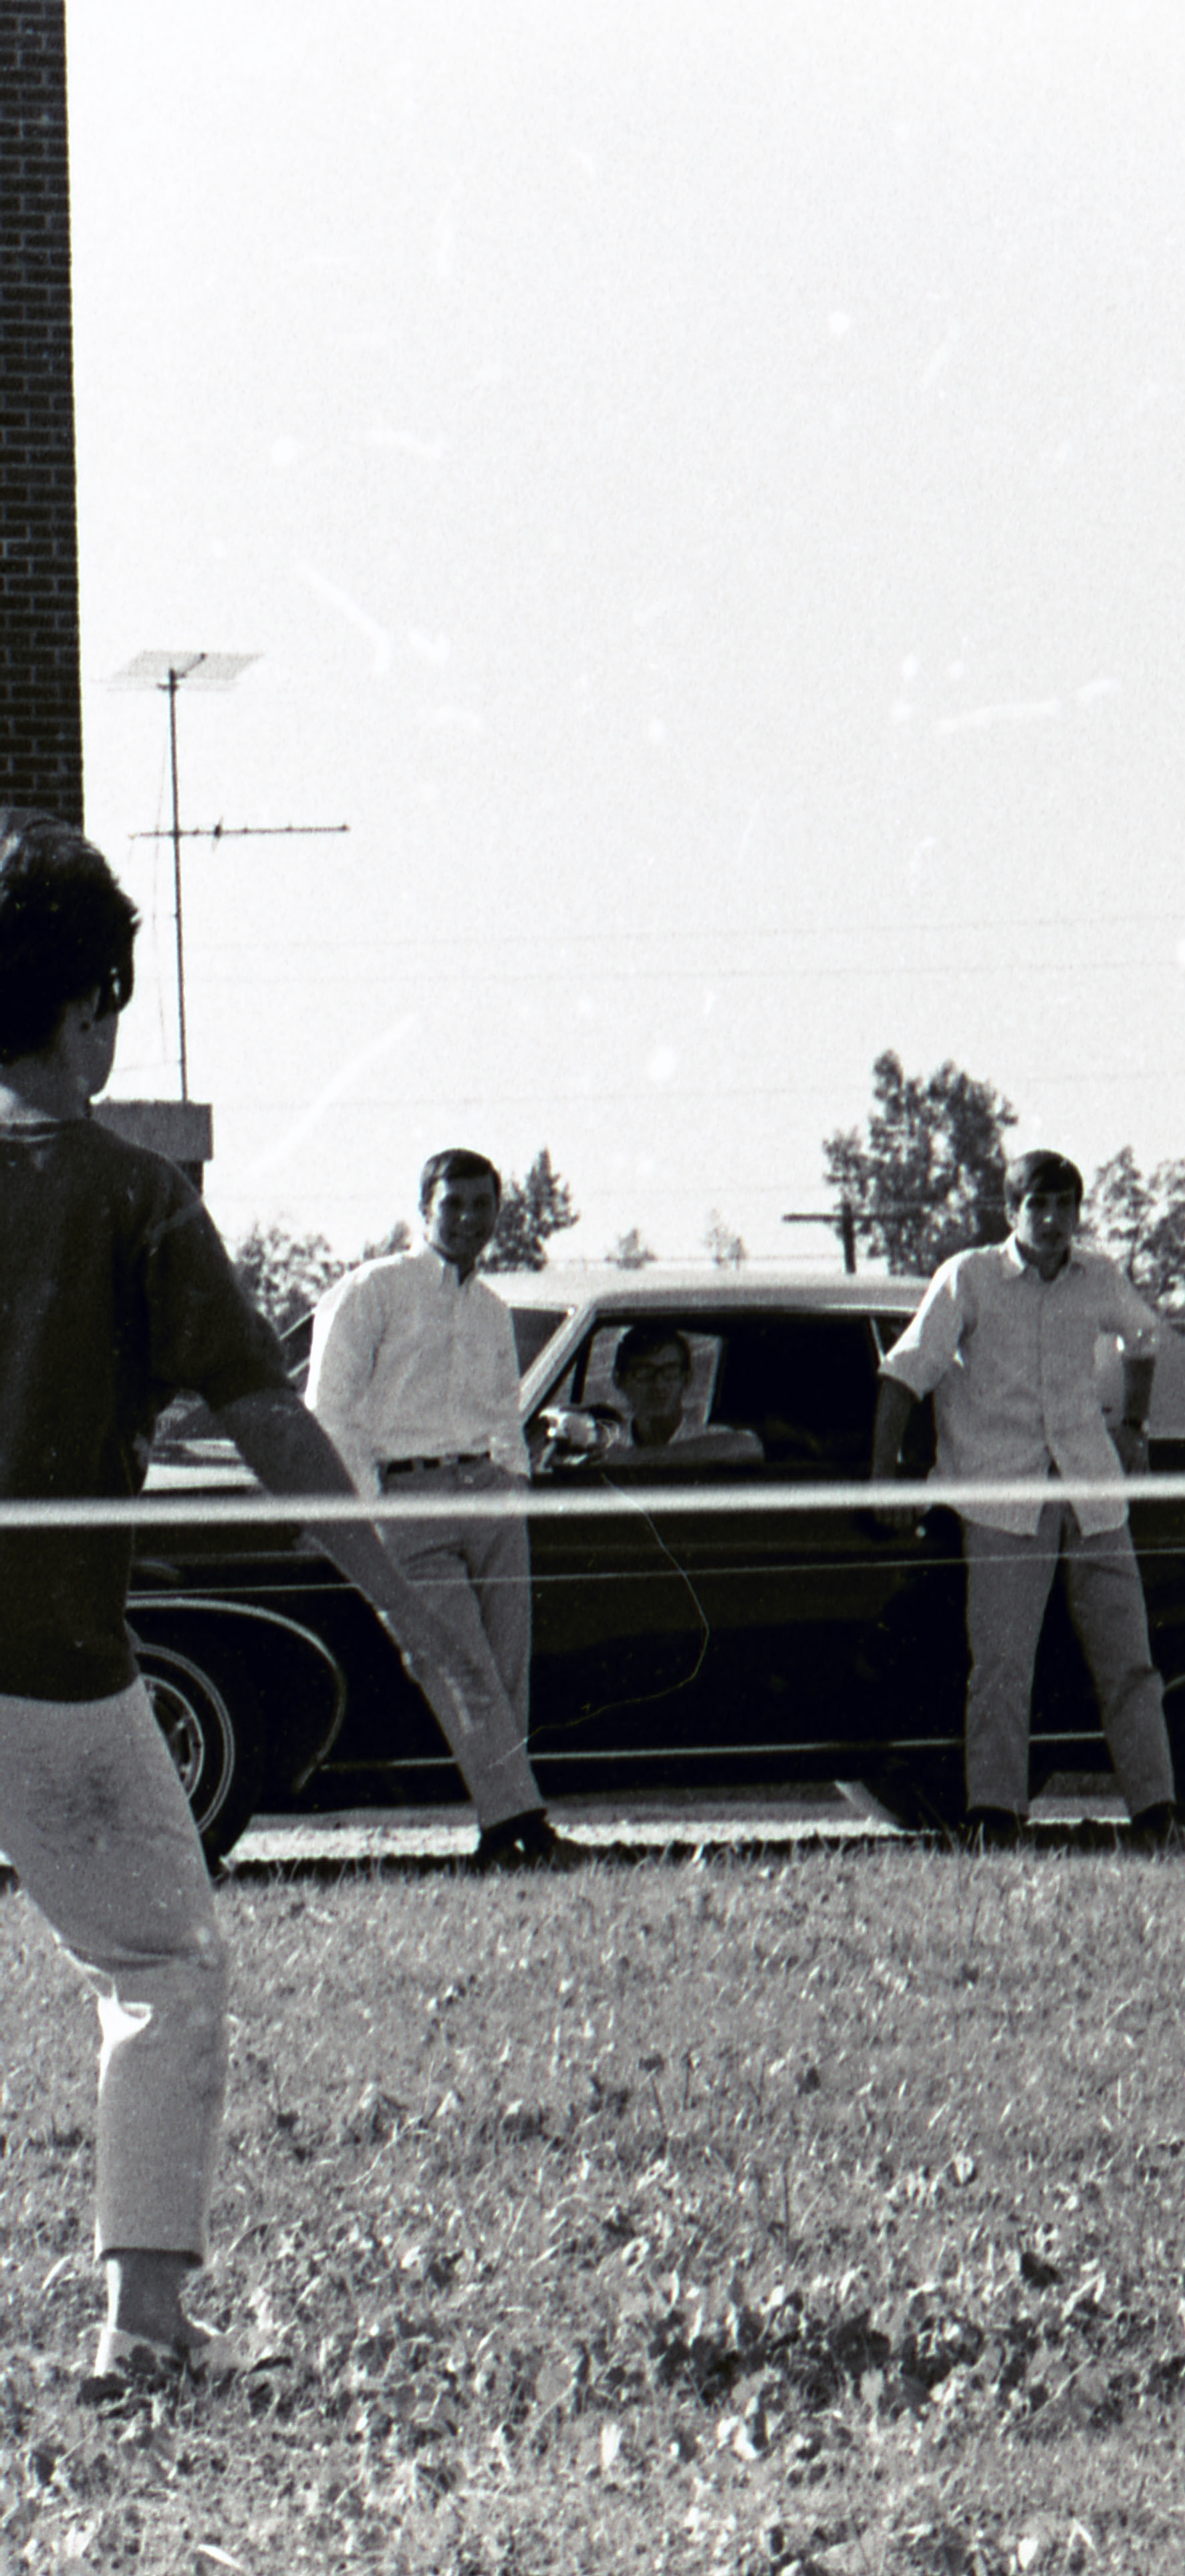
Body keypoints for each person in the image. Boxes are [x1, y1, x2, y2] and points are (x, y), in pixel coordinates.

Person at [0, 812, 481, 2392]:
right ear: (93, 1009)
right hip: (47, 1663)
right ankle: (144, 2328)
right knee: (159, 1965)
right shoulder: (135, 1199)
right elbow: (273, 1429)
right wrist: (399, 1596)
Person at [868, 1151, 1185, 1846]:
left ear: (1078, 1212)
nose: (1051, 1220)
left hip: (1090, 1491)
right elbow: (903, 1374)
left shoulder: (1097, 1275)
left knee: (1129, 1659)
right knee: (1003, 1664)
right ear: (1009, 1211)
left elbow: (1143, 1334)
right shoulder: (969, 1277)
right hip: (1002, 1496)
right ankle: (996, 1816)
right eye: (1036, 1205)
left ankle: (1157, 1816)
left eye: (1064, 1205)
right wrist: (884, 1475)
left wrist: (1133, 1424)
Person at [305, 1148, 566, 1866]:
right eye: (452, 1205)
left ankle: (500, 1834)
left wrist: (513, 1483)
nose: (467, 1220)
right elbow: (329, 1411)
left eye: (481, 1206)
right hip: (407, 1496)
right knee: (456, 1663)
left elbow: (503, 1413)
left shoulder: (492, 1309)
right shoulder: (372, 1290)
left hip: (490, 1495)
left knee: (506, 1671)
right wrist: (372, 1507)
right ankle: (528, 1827)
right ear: (424, 1207)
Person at [592, 1326, 762, 1466]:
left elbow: (748, 1447)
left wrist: (635, 1458)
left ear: (687, 1379)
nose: (658, 1384)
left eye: (670, 1372)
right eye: (644, 1372)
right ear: (619, 1380)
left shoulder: (708, 1438)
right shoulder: (610, 1442)